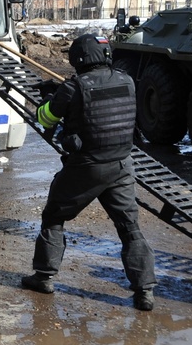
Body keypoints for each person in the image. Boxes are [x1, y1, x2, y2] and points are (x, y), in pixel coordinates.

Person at [22, 34, 157, 311]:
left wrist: (50, 97)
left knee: (54, 216)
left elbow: (45, 117)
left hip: (86, 168)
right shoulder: (128, 81)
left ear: (78, 59)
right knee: (130, 228)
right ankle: (145, 291)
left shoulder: (74, 87)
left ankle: (44, 277)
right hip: (122, 166)